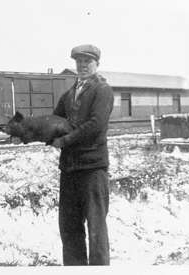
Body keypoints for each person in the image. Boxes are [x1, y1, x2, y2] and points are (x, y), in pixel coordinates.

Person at [51, 44, 114, 265]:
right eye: (79, 61)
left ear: (97, 64)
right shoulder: (69, 94)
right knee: (69, 229)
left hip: (92, 170)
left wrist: (65, 140)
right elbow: (55, 122)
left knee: (96, 230)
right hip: (69, 170)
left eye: (87, 61)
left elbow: (96, 125)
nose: (82, 65)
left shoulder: (103, 90)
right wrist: (27, 131)